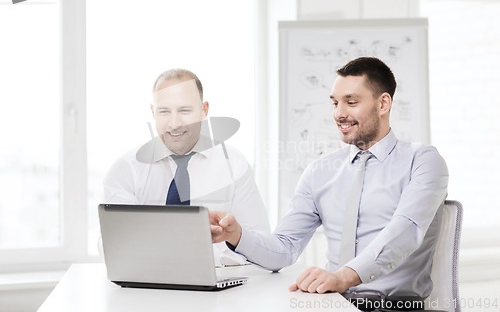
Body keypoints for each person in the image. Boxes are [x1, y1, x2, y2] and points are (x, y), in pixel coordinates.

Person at [211, 57, 448, 311]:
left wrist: (343, 276)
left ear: (383, 103)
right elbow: (284, 249)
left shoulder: (422, 161)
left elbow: (405, 231)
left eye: (351, 102)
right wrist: (236, 235)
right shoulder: (319, 172)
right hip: (330, 303)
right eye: (335, 103)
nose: (339, 113)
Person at [103, 68, 270, 266]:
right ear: (153, 112)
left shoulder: (233, 164)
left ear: (204, 110)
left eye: (184, 110)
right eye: (164, 111)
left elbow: (261, 245)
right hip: (146, 289)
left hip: (219, 288)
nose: (174, 123)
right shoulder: (127, 169)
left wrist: (232, 239)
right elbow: (113, 244)